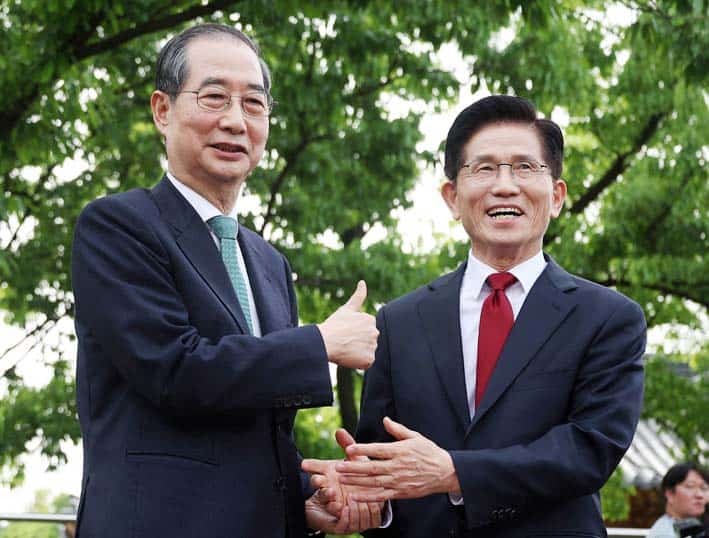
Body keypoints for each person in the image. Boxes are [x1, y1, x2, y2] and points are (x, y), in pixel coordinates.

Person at [72, 23, 380, 538]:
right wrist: (320, 343)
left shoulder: (269, 263)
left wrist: (305, 500)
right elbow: (175, 370)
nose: (236, 121)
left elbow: (261, 424)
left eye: (254, 104)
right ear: (163, 110)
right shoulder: (117, 226)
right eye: (214, 97)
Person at [304, 95, 647, 537]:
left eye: (525, 167)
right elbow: (382, 459)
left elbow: (589, 449)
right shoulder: (399, 322)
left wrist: (454, 472)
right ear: (452, 197)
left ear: (557, 196)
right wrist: (362, 498)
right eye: (484, 169)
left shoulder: (608, 318)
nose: (504, 186)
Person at [647, 462, 709, 538]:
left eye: (704, 488)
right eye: (690, 486)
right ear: (670, 494)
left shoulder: (695, 528)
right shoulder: (664, 533)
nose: (700, 495)